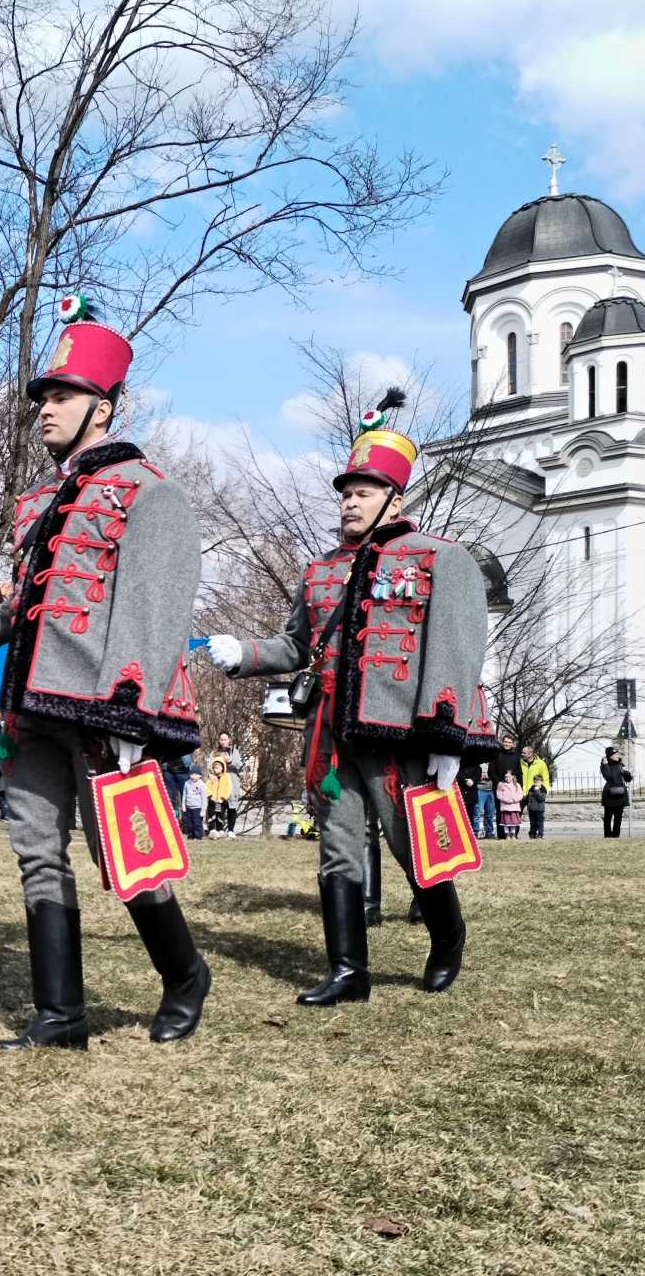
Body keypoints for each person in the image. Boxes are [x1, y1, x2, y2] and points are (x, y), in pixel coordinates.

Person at [0, 295, 212, 1047]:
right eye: (44, 396)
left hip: (102, 708)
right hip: (32, 702)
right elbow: (28, 603)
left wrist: (128, 710)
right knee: (35, 852)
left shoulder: (151, 492)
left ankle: (185, 975)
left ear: (104, 408)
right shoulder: (39, 501)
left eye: (63, 395)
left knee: (125, 855)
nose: (45, 408)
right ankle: (60, 1015)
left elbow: (155, 611)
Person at [205, 387, 495, 1003]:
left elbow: (455, 652)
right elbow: (294, 646)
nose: (349, 501)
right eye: (345, 491)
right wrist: (244, 654)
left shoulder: (440, 560)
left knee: (411, 846)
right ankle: (348, 972)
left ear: (396, 497)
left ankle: (448, 936)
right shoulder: (321, 571)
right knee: (336, 850)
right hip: (334, 737)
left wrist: (450, 736)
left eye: (363, 491)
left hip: (403, 738)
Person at [518, 745, 551, 840]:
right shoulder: (519, 763)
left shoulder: (541, 764)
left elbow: (545, 778)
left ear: (530, 753)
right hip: (521, 794)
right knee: (516, 815)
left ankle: (533, 833)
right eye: (522, 752)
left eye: (524, 753)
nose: (522, 754)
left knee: (535, 817)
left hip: (534, 794)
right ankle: (513, 835)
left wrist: (545, 791)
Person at [599, 745, 632, 837]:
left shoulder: (621, 765)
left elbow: (628, 780)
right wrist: (605, 765)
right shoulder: (605, 765)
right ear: (610, 756)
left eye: (618, 753)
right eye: (615, 754)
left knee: (618, 817)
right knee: (608, 817)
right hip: (609, 794)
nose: (618, 755)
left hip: (621, 794)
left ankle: (616, 835)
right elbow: (608, 777)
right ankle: (608, 835)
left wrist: (627, 774)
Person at [181, 756, 208, 840]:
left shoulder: (201, 785)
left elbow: (204, 798)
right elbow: (184, 795)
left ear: (200, 775)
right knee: (189, 823)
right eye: (192, 774)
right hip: (188, 807)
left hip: (197, 808)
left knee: (197, 823)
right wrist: (183, 806)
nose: (193, 776)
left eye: (196, 774)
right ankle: (190, 835)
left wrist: (203, 810)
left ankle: (198, 836)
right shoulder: (187, 783)